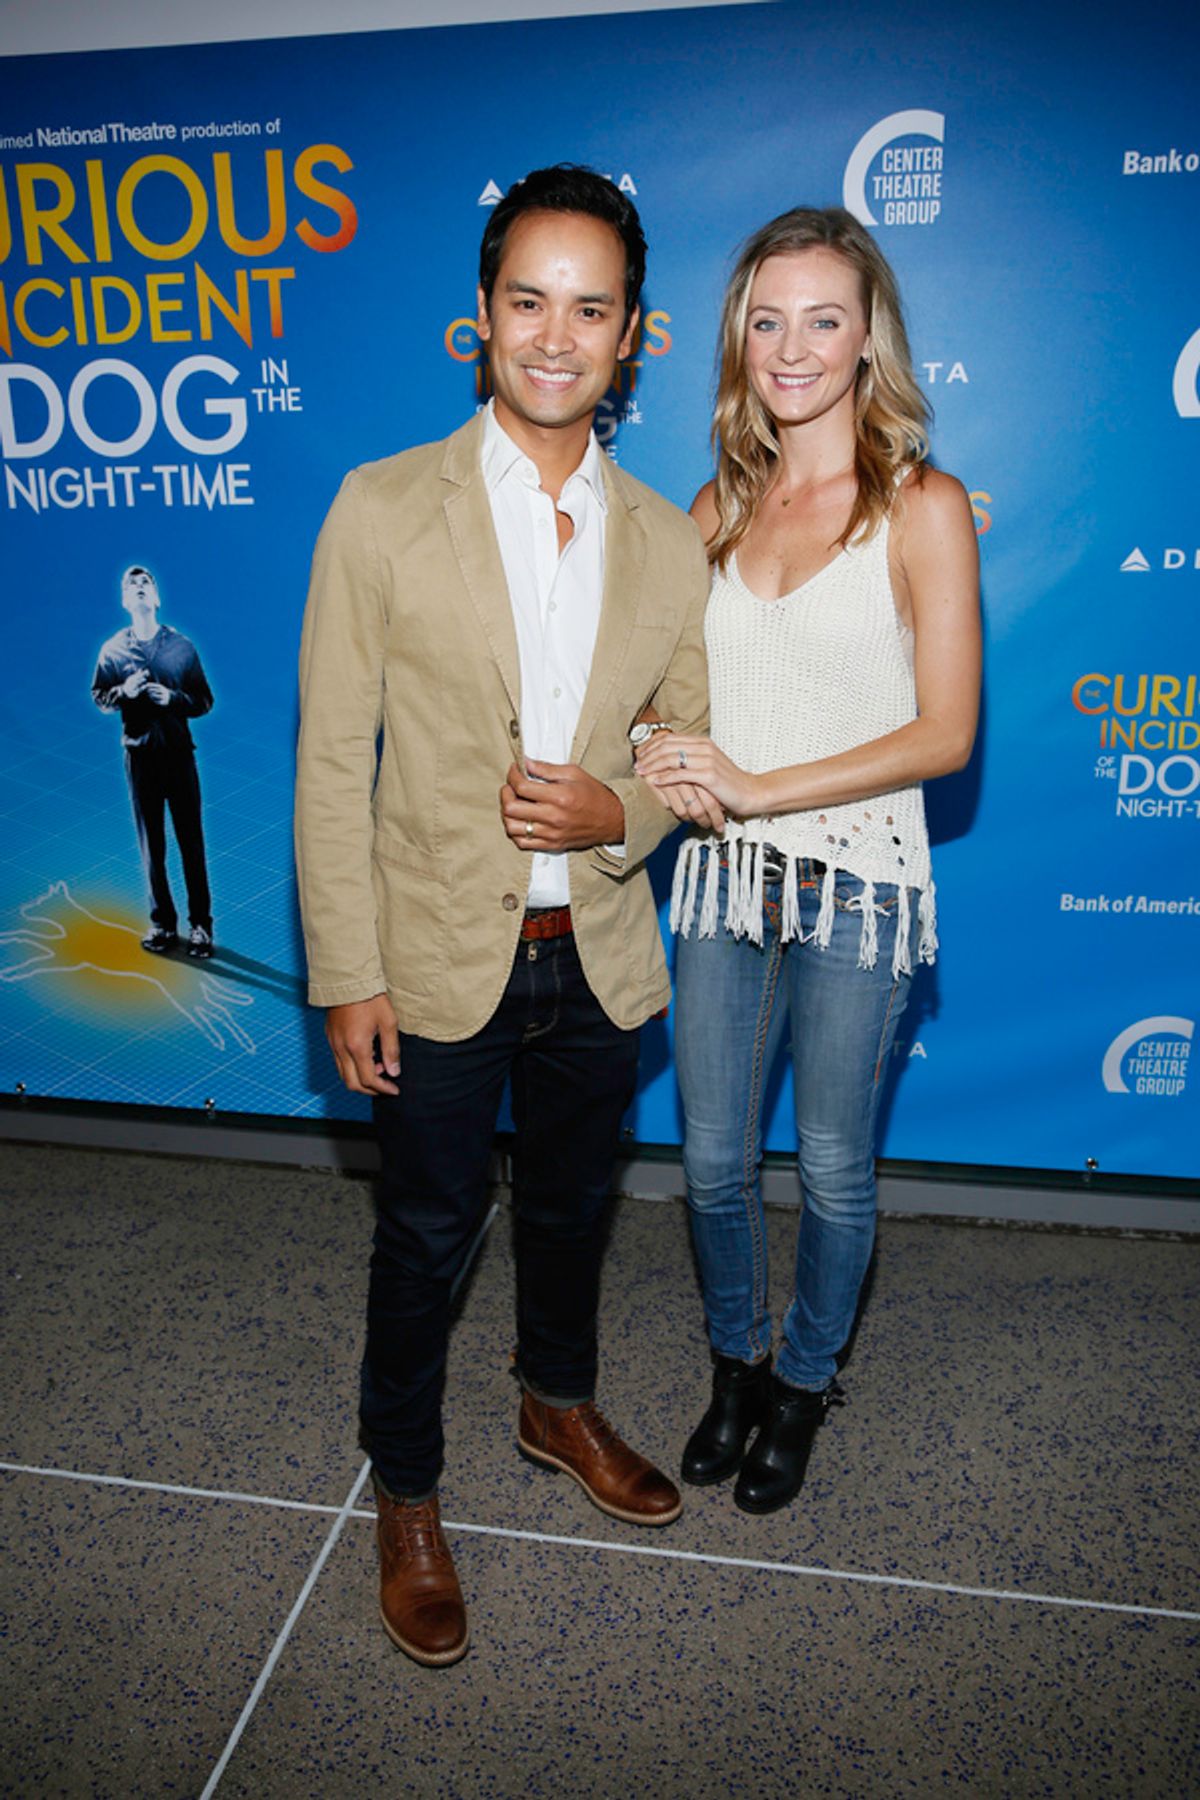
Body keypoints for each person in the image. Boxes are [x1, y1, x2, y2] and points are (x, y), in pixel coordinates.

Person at [294, 166, 711, 1667]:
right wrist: (345, 970)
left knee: (571, 1213)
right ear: (480, 319)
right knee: (419, 1242)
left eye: (589, 308)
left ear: (631, 338)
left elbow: (685, 751)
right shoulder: (381, 506)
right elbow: (334, 755)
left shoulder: (669, 540)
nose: (556, 334)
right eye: (527, 300)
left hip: (595, 955)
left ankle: (553, 1400)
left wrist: (626, 815)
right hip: (432, 957)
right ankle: (406, 1493)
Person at [636, 206, 981, 1515]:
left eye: (822, 318)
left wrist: (759, 786)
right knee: (712, 1159)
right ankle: (737, 1365)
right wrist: (661, 746)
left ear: (865, 339)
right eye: (767, 319)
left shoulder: (922, 506)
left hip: (862, 888)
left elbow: (945, 733)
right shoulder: (716, 504)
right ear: (740, 339)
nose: (792, 346)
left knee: (833, 1167)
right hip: (721, 880)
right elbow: (667, 690)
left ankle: (806, 1382)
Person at [91, 565, 215, 958]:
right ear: (125, 601)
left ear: (156, 598)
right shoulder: (112, 650)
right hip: (140, 758)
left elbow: (204, 700)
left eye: (146, 583)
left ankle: (200, 927)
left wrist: (174, 699)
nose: (140, 588)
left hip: (180, 757)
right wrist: (124, 691)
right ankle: (163, 924)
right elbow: (100, 695)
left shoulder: (182, 648)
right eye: (132, 585)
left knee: (191, 843)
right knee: (153, 847)